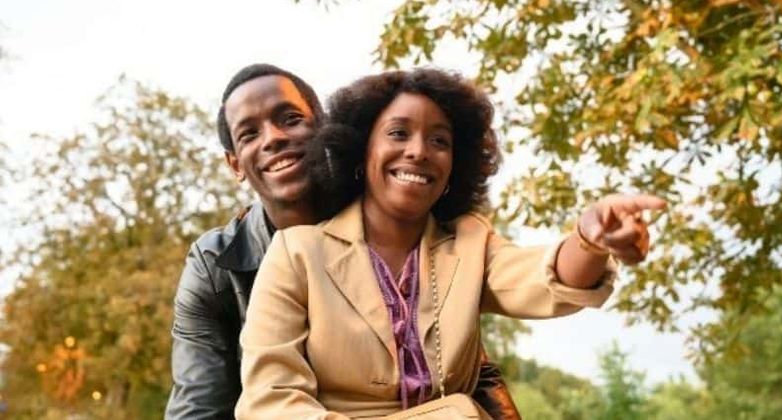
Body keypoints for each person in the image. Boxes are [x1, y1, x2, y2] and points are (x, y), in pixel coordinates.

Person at [236, 68, 666, 418]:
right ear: (361, 150)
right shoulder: (297, 253)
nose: (419, 151)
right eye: (398, 133)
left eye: (439, 140)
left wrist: (589, 240)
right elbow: (270, 403)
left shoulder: (469, 242)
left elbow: (539, 279)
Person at [165, 64, 521, 419]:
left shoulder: (392, 222)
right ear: (235, 165)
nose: (272, 138)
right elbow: (198, 408)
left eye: (290, 119)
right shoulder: (213, 267)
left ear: (326, 128)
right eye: (248, 134)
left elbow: (459, 359)